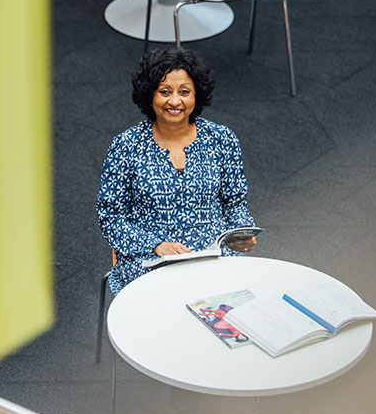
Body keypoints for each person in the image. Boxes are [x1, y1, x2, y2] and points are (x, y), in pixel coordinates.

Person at [97, 47, 257, 295]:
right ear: (150, 95)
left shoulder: (222, 138)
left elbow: (234, 203)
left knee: (239, 295)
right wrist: (155, 245)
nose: (174, 101)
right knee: (171, 301)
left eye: (184, 92)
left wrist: (242, 231)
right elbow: (111, 216)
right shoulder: (125, 146)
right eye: (164, 92)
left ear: (197, 95)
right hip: (151, 257)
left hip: (212, 252)